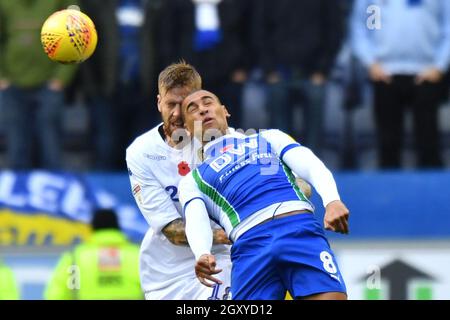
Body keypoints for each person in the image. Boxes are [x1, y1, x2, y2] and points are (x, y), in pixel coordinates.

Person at [178, 89, 349, 300]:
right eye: (192, 109)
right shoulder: (192, 180)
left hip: (297, 228)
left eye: (208, 102)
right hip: (250, 246)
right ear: (186, 129)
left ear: (225, 111)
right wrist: (202, 253)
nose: (203, 110)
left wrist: (332, 200)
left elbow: (310, 164)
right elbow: (196, 219)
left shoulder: (269, 137)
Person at [125, 62, 232, 300]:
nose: (176, 114)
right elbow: (173, 231)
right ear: (158, 103)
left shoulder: (224, 140)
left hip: (221, 260)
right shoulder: (141, 152)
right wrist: (233, 232)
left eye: (183, 105)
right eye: (170, 104)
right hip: (166, 275)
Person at [351, 0, 450, 168]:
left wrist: (440, 65)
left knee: (428, 143)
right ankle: (388, 191)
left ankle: (432, 190)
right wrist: (370, 62)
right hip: (384, 73)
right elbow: (359, 28)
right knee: (388, 144)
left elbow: (447, 27)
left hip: (426, 72)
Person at [0, 0, 79, 169]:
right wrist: (2, 77)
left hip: (49, 85)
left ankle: (55, 190)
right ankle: (18, 192)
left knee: (51, 146)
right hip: (12, 85)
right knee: (16, 147)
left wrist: (61, 78)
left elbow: (77, 37)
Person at [44, 208, 142, 300]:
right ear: (118, 226)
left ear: (93, 227)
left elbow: (55, 294)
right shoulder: (138, 256)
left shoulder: (75, 258)